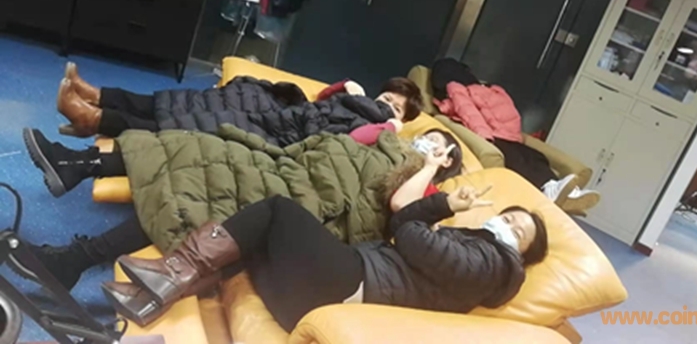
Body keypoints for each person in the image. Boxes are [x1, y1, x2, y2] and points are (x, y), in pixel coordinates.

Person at [19, 127, 465, 291]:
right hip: (288, 169)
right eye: (428, 138)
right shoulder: (389, 144)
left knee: (188, 200)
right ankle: (77, 163)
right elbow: (341, 144)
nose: (428, 144)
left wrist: (429, 167)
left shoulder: (428, 193)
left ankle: (74, 259)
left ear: (446, 164)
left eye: (439, 147)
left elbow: (397, 206)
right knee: (193, 146)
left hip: (309, 208)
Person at [102, 182, 548, 329]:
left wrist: (430, 222)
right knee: (257, 237)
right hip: (331, 289)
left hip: (350, 287)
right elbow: (406, 226)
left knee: (279, 209)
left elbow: (408, 235)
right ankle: (153, 296)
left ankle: (171, 274)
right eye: (509, 217)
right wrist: (446, 204)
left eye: (519, 232)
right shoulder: (476, 249)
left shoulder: (494, 267)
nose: (507, 225)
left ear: (522, 255)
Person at [56, 62, 424, 140]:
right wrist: (347, 86)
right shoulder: (355, 101)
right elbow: (322, 100)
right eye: (385, 97)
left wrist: (389, 123)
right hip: (282, 114)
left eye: (395, 107)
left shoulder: (381, 130)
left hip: (281, 135)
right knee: (188, 103)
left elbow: (326, 134)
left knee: (188, 124)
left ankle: (95, 120)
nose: (384, 105)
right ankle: (98, 97)